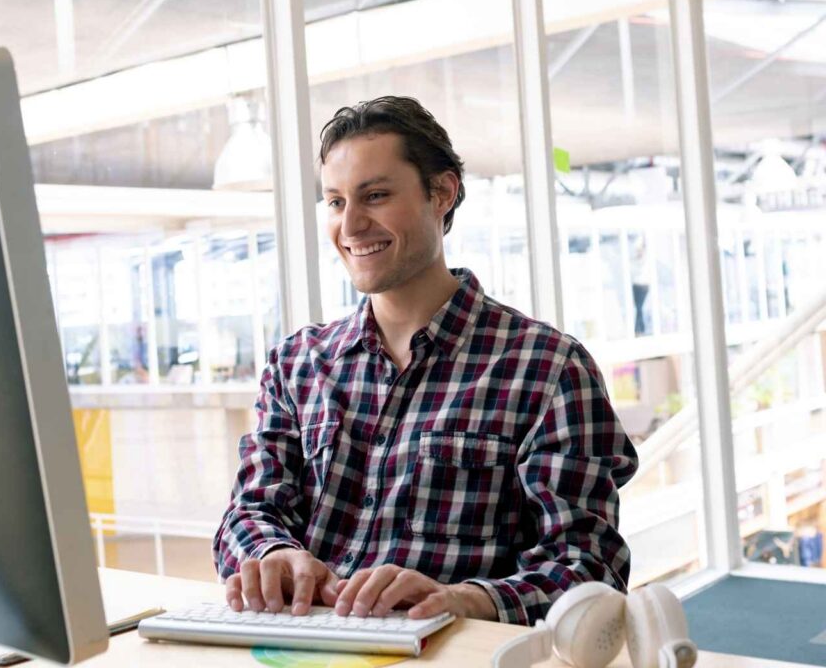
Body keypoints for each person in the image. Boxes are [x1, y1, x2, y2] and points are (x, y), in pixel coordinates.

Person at [212, 96, 638, 626]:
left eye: (376, 196)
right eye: (336, 202)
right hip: (298, 649)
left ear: (442, 193)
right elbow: (249, 511)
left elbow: (590, 569)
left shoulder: (550, 370)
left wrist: (462, 600)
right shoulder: (297, 364)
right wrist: (273, 554)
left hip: (450, 652)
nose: (351, 226)